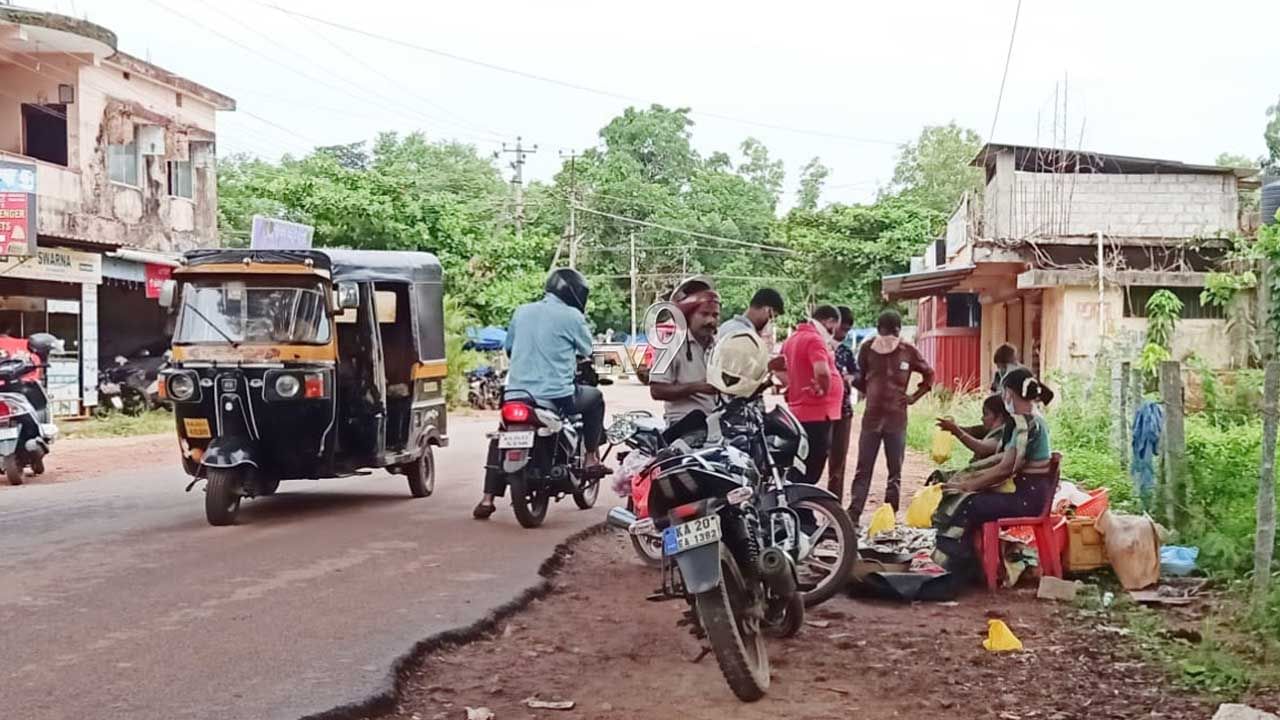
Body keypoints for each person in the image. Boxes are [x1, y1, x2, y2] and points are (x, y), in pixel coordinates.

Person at [473, 269, 606, 520]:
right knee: (595, 399)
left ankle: (487, 498)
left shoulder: (522, 311)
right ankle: (590, 457)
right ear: (575, 293)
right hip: (556, 395)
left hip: (516, 394)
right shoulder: (573, 316)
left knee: (502, 434)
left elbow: (510, 348)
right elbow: (587, 349)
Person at [932, 367, 1056, 577]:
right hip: (1028, 494)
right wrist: (969, 480)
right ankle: (969, 565)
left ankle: (956, 570)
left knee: (967, 503)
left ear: (1008, 393)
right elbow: (999, 462)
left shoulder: (1027, 425)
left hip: (1028, 499)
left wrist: (968, 486)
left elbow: (1005, 469)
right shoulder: (1027, 422)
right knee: (967, 498)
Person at [848, 309, 933, 526]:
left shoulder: (873, 348)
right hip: (889, 416)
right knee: (892, 469)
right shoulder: (900, 350)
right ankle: (885, 514)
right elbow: (929, 373)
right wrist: (914, 396)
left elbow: (929, 373)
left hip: (881, 417)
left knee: (866, 467)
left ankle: (859, 513)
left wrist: (914, 396)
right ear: (898, 328)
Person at [780, 305, 843, 485]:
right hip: (817, 412)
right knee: (813, 465)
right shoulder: (814, 339)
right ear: (829, 321)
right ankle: (803, 507)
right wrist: (823, 389)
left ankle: (800, 506)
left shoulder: (792, 339)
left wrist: (791, 385)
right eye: (834, 326)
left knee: (802, 461)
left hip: (799, 410)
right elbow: (822, 371)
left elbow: (778, 367)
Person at [649, 277, 721, 425]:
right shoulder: (669, 343)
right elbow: (656, 390)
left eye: (715, 315)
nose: (711, 321)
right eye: (704, 314)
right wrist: (697, 387)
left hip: (718, 421)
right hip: (683, 423)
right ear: (687, 316)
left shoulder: (720, 344)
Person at [928, 394, 1013, 486]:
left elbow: (982, 448)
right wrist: (953, 428)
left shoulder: (1004, 433)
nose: (982, 418)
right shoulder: (990, 430)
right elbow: (972, 431)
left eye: (986, 414)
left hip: (983, 476)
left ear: (999, 416)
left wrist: (956, 431)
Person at [826, 306, 857, 504]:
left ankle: (833, 507)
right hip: (822, 414)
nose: (844, 334)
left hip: (843, 411)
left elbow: (857, 372)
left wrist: (851, 378)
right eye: (842, 329)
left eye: (847, 331)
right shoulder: (820, 346)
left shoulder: (845, 352)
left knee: (838, 465)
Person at [719, 287, 784, 338]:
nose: (770, 322)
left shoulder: (727, 325)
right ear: (767, 310)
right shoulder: (745, 334)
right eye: (771, 317)